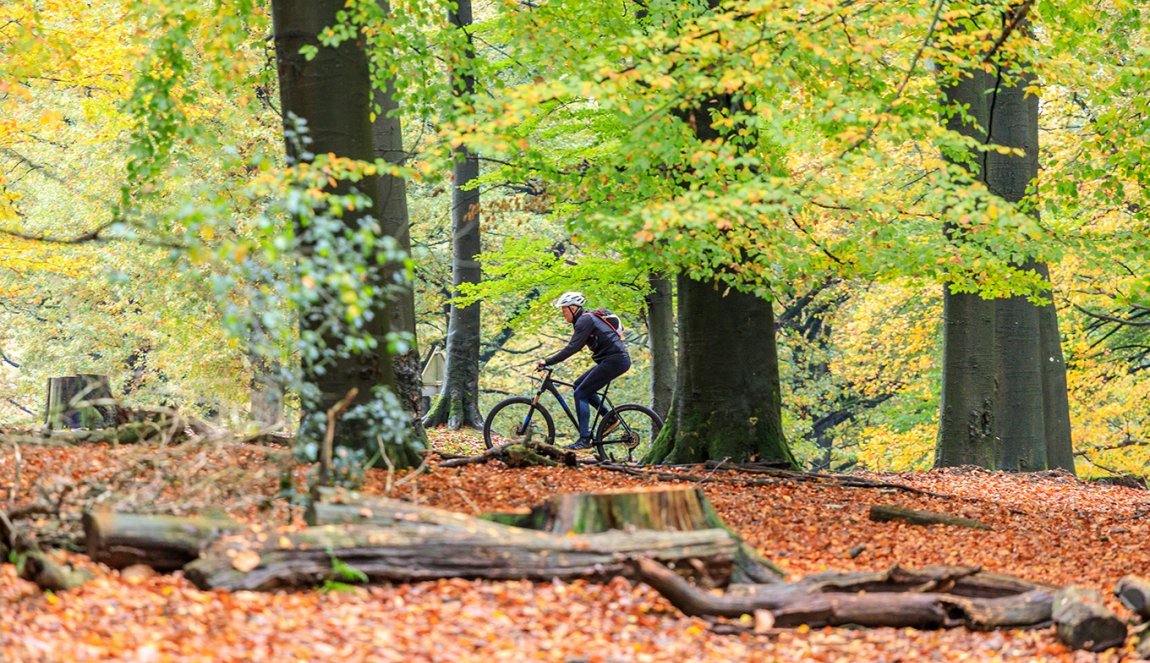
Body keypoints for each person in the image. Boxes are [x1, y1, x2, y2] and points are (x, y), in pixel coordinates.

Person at [537, 291, 630, 450]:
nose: (562, 314)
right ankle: (610, 419)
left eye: (564, 310)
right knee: (578, 385)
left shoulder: (585, 320)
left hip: (615, 360)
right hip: (612, 360)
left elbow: (573, 348)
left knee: (580, 393)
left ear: (573, 308)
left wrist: (547, 361)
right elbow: (574, 346)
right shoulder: (584, 320)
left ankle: (584, 439)